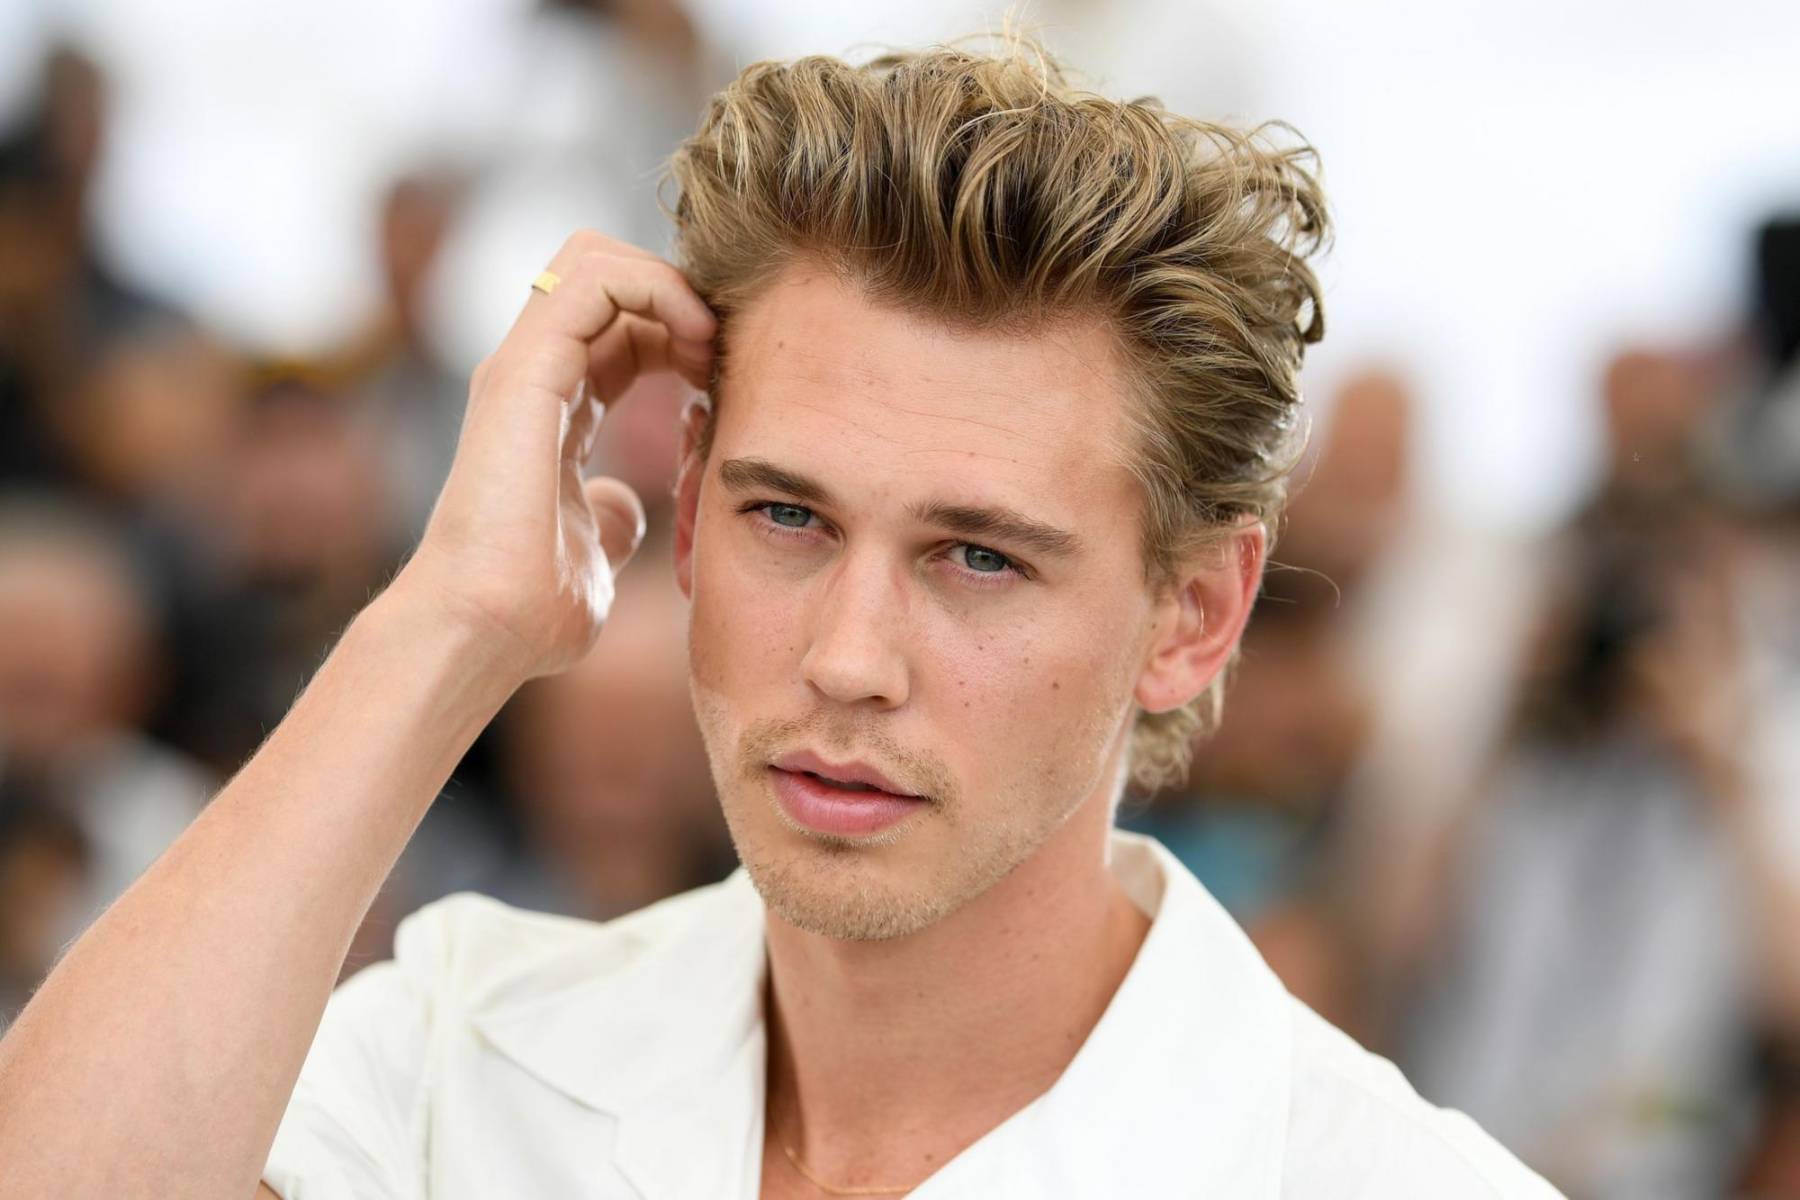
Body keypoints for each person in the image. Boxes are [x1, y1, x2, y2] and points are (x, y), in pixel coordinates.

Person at [0, 39, 1560, 1197]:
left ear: (1195, 614)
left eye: (980, 559)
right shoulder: (462, 1056)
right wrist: (446, 619)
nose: (846, 660)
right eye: (788, 518)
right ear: (685, 508)